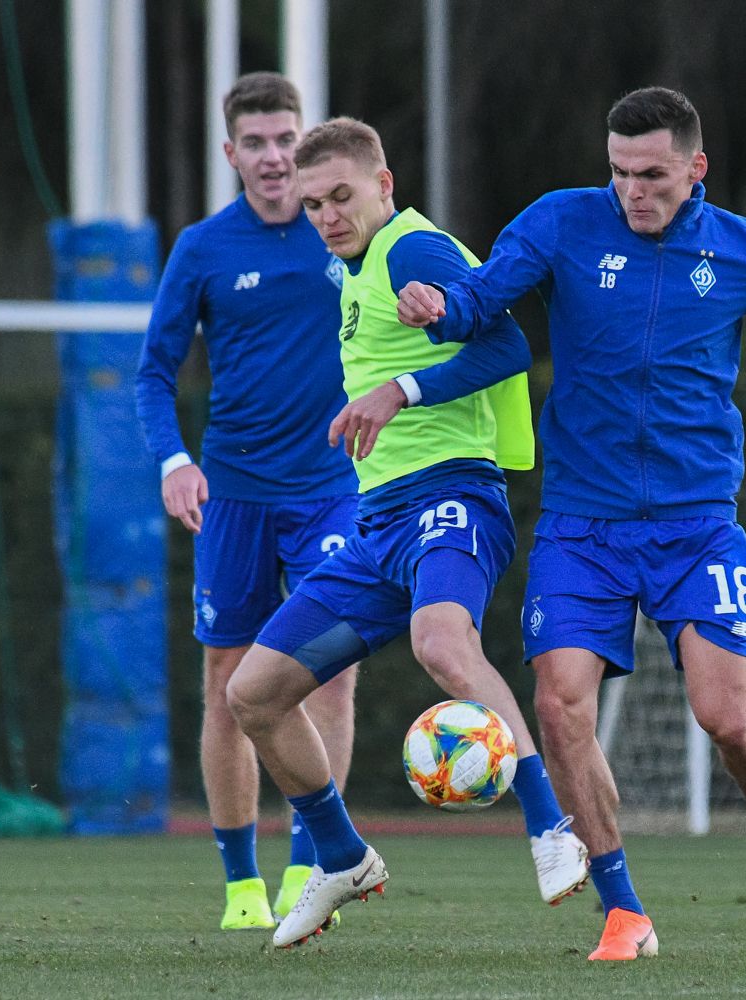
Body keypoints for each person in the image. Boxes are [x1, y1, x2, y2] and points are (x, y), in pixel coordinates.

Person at [397, 86, 746, 962]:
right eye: (621, 172)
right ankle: (623, 911)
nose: (634, 190)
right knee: (558, 708)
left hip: (697, 524)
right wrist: (437, 305)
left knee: (729, 717)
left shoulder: (735, 250)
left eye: (654, 174)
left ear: (695, 169)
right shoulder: (562, 222)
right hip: (580, 526)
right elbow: (480, 302)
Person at [226, 116, 589, 950]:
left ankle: (548, 827)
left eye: (342, 195)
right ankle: (343, 855)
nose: (326, 213)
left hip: (452, 496)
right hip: (378, 522)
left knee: (441, 642)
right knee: (254, 694)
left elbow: (506, 346)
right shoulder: (348, 269)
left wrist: (402, 392)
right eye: (314, 202)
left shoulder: (411, 250)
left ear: (385, 187)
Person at [135, 73, 361, 931]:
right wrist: (172, 461)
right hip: (230, 496)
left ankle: (316, 869)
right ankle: (239, 886)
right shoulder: (202, 247)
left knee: (328, 680)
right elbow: (155, 372)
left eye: (286, 140)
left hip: (335, 491)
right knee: (228, 683)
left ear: (307, 146)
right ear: (232, 154)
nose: (274, 158)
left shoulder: (344, 235)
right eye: (257, 143)